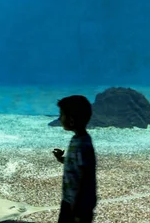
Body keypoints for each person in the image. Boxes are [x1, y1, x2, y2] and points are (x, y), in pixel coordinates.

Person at [52, 95, 98, 223]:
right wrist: (62, 159)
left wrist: (80, 211)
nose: (60, 118)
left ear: (71, 120)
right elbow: (76, 165)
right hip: (69, 201)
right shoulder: (77, 140)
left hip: (78, 206)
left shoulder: (83, 144)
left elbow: (85, 177)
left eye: (61, 114)